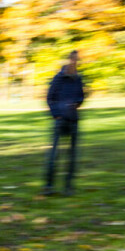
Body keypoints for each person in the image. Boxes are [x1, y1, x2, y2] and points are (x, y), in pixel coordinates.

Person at [43, 50, 86, 196]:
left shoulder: (78, 79)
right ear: (69, 60)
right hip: (60, 120)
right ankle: (49, 186)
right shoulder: (59, 77)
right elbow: (50, 98)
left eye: (77, 60)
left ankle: (68, 187)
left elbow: (81, 96)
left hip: (73, 120)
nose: (75, 62)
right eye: (73, 60)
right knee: (54, 155)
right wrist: (57, 115)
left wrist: (77, 103)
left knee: (72, 157)